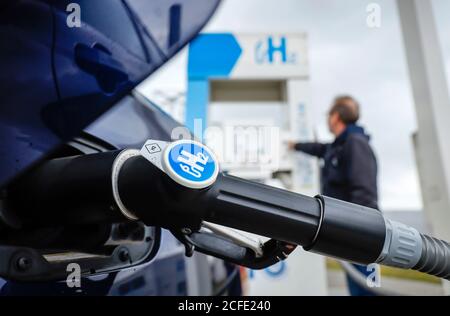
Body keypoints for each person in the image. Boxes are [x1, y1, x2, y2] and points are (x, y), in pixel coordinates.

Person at [288, 95, 379, 296]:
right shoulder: (339, 146)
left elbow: (364, 193)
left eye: (328, 114)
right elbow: (319, 149)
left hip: (361, 233)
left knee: (366, 289)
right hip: (350, 231)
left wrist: (358, 231)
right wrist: (295, 146)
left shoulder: (356, 144)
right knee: (357, 288)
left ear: (335, 117)